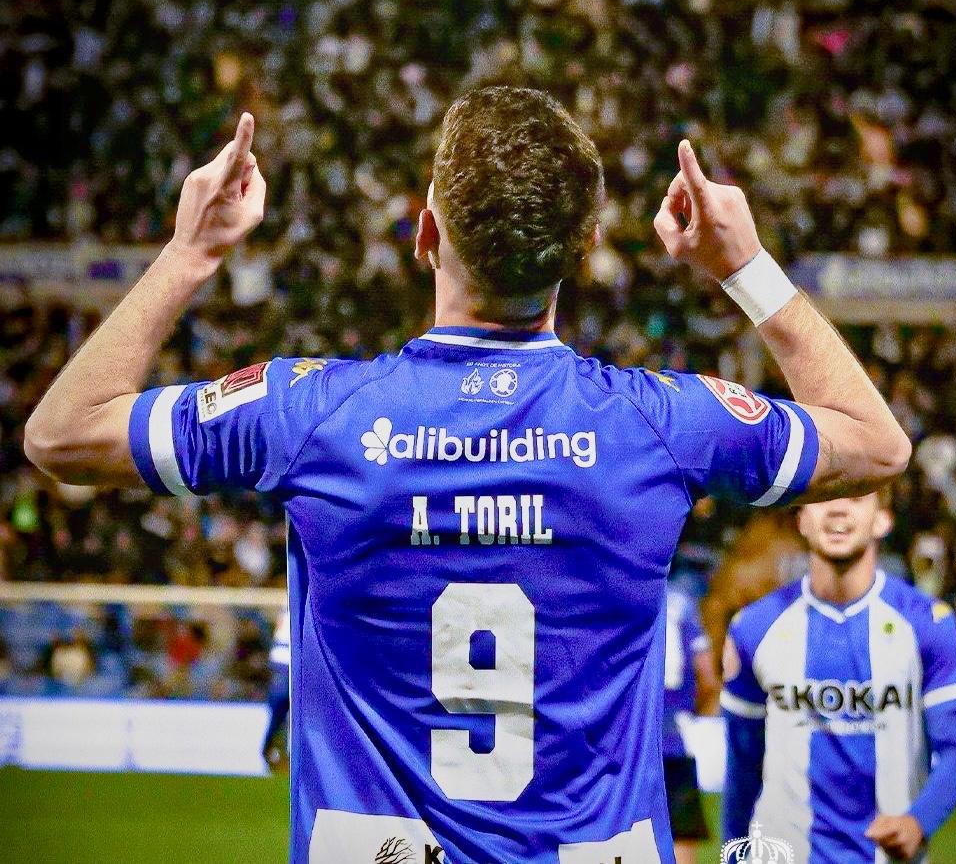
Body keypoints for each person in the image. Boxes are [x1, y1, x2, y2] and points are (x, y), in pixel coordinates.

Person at [24, 87, 910, 863]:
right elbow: (876, 442)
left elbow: (63, 433)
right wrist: (743, 267)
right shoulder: (657, 424)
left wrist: (191, 253)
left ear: (425, 232)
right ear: (586, 248)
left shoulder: (312, 414)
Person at [721, 491, 956, 863]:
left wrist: (917, 822)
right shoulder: (754, 628)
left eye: (857, 497)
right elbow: (742, 767)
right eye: (824, 497)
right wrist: (733, 855)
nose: (838, 508)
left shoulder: (928, 625)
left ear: (882, 519)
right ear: (801, 520)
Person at [662, 581, 719, 864]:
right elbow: (707, 675)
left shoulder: (618, 592)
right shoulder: (681, 601)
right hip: (674, 736)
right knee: (681, 834)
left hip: (626, 737)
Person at [262, 604, 290, 771]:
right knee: (280, 709)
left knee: (283, 712)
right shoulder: (292, 605)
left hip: (286, 665)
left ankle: (276, 750)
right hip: (285, 665)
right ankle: (270, 749)